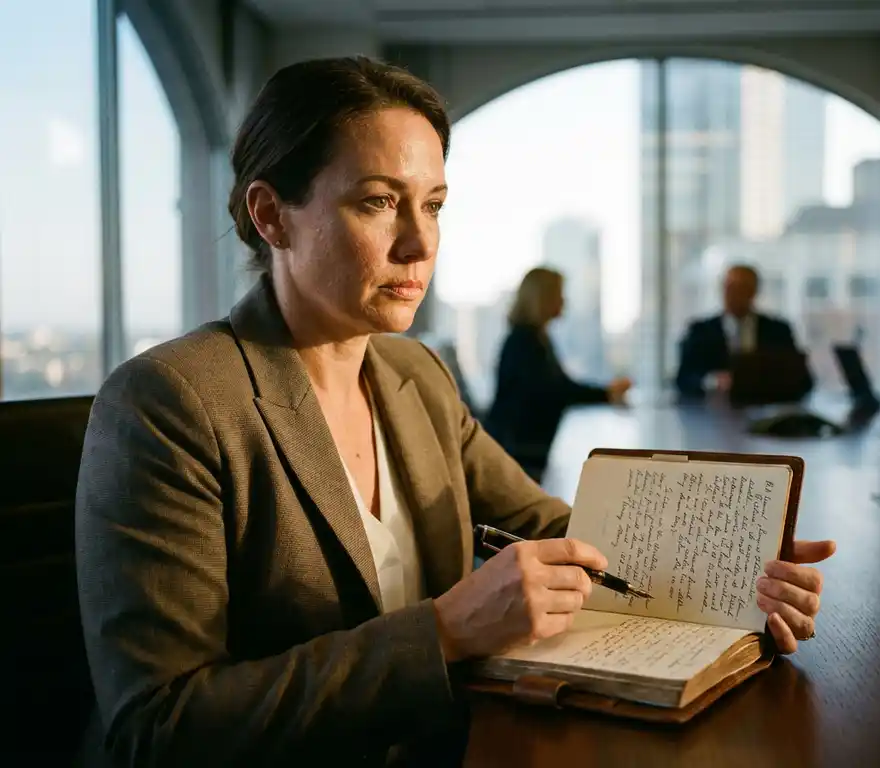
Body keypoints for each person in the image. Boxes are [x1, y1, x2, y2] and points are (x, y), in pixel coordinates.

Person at [74, 57, 836, 766]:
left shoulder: (416, 375)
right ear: (271, 215)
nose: (419, 243)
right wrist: (443, 633)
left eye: (432, 205)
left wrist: (732, 578)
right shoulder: (170, 401)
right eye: (378, 202)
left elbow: (558, 529)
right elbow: (157, 726)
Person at [484, 267, 631, 481]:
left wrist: (606, 393)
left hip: (523, 450)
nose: (564, 301)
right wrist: (606, 394)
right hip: (518, 454)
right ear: (543, 298)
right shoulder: (524, 343)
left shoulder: (535, 338)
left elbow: (558, 386)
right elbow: (555, 391)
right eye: (559, 294)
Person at [674, 264, 807, 398]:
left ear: (754, 291)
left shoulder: (778, 330)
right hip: (714, 410)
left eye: (742, 288)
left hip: (766, 405)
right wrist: (712, 381)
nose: (734, 295)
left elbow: (802, 380)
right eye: (729, 288)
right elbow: (684, 378)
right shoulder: (700, 331)